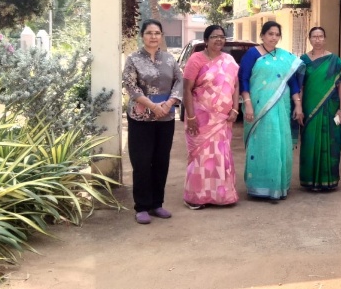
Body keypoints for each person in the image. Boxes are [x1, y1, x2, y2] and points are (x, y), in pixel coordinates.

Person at [122, 19, 183, 224]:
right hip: (141, 117)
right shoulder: (133, 59)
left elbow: (180, 81)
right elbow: (130, 86)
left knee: (161, 161)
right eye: (149, 33)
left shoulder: (169, 59)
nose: (153, 36)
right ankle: (142, 206)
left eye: (157, 33)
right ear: (142, 36)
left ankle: (157, 204)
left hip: (165, 116)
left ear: (161, 36)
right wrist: (152, 106)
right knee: (141, 162)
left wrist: (169, 103)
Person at [238, 21, 304, 200]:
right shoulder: (252, 54)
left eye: (277, 34)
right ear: (262, 35)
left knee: (279, 144)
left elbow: (292, 81)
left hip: (281, 106)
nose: (274, 37)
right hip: (259, 107)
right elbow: (243, 78)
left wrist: (298, 104)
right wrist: (248, 103)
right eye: (270, 34)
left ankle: (278, 186)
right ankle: (259, 186)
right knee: (262, 144)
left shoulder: (284, 57)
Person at [182, 25, 240, 210]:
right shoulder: (196, 59)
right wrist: (191, 117)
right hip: (201, 118)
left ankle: (222, 195)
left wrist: (235, 108)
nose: (219, 40)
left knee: (221, 156)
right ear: (206, 40)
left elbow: (235, 85)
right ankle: (196, 197)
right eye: (214, 36)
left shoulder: (229, 60)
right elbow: (187, 89)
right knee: (201, 157)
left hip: (222, 119)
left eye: (222, 36)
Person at [299, 27, 341, 191]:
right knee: (310, 143)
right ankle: (309, 180)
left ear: (325, 38)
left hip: (331, 109)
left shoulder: (334, 60)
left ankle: (328, 180)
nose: (317, 39)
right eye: (314, 36)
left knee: (331, 143)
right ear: (309, 39)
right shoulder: (303, 60)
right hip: (309, 109)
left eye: (320, 36)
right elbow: (300, 86)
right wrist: (299, 107)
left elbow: (340, 86)